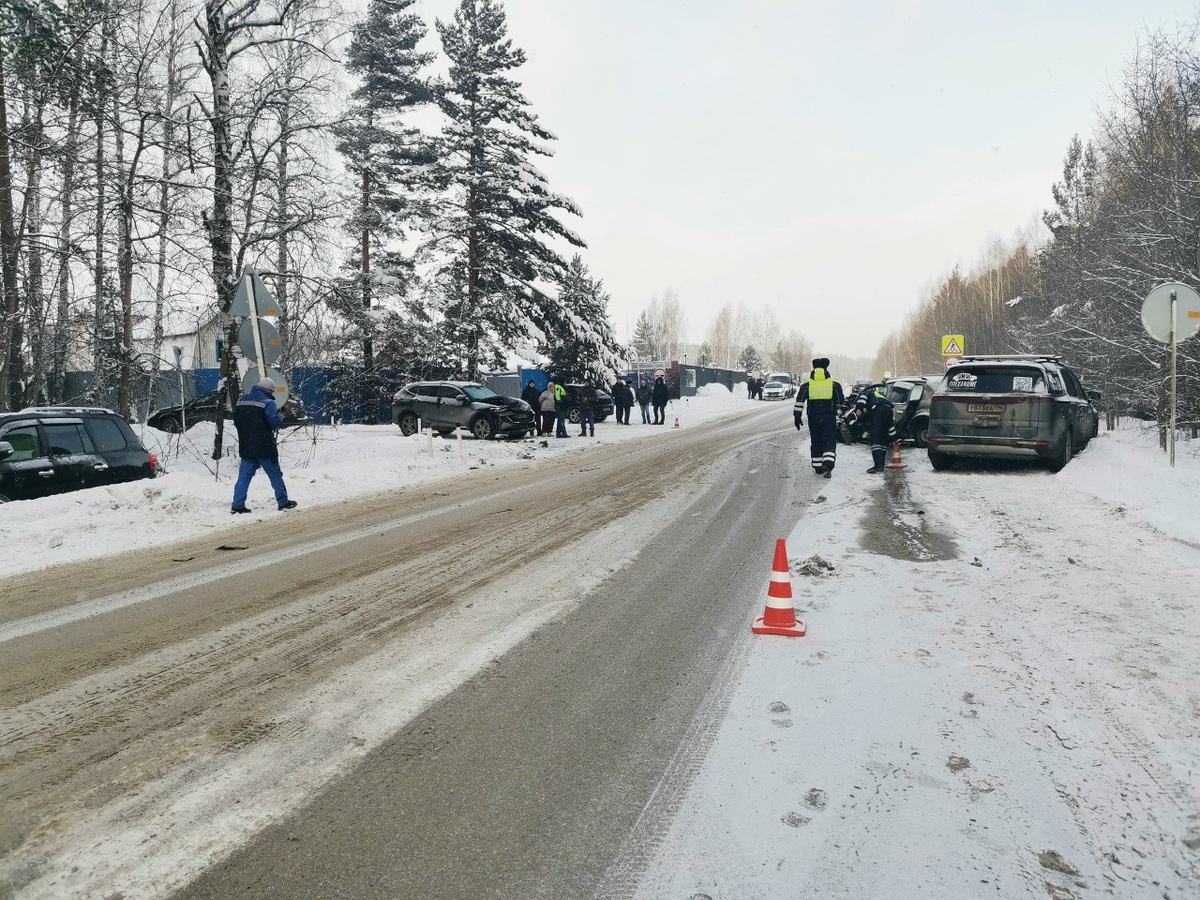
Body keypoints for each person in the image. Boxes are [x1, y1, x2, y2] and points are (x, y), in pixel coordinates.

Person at [231, 377, 297, 513]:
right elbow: (275, 423)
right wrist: (281, 414)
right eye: (272, 392)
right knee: (275, 475)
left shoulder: (241, 401)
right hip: (264, 446)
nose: (272, 395)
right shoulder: (268, 403)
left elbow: (237, 421)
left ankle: (238, 505)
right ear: (268, 390)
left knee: (243, 477)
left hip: (246, 445)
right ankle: (283, 502)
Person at [793, 358, 845, 478]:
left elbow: (799, 401)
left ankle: (817, 467)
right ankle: (828, 464)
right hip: (829, 417)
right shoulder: (834, 384)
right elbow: (841, 400)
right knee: (829, 440)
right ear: (826, 369)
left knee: (816, 441)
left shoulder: (807, 385)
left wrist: (797, 416)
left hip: (813, 418)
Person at [854, 385, 898, 473]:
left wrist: (859, 408)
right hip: (889, 410)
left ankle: (878, 466)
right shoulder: (878, 395)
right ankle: (881, 465)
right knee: (883, 438)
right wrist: (894, 439)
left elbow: (862, 398)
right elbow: (891, 426)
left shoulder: (865, 393)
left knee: (875, 439)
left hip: (877, 411)